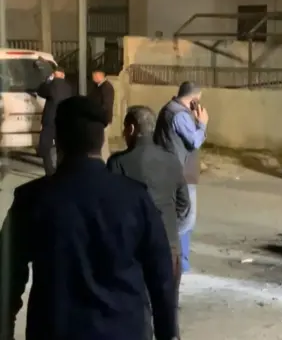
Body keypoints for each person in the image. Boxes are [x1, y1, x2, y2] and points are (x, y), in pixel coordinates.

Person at [0, 96, 177, 340]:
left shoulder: (31, 199)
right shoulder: (135, 199)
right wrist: (169, 334)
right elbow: (162, 278)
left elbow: (6, 279)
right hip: (124, 331)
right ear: (101, 140)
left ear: (58, 140)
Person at [107, 105, 190, 339]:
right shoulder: (172, 161)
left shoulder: (118, 163)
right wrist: (171, 229)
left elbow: (111, 209)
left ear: (131, 129)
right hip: (170, 246)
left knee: (141, 311)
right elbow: (184, 204)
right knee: (168, 307)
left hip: (135, 250)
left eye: (125, 129)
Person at [154, 81, 208, 274]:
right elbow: (194, 141)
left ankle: (181, 260)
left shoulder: (170, 109)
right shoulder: (179, 115)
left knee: (182, 217)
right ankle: (171, 254)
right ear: (193, 100)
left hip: (174, 171)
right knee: (186, 219)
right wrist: (202, 124)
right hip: (182, 174)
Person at [36, 65, 72, 175]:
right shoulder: (68, 87)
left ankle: (50, 171)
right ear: (63, 75)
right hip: (63, 120)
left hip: (50, 120)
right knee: (61, 147)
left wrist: (48, 81)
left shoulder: (51, 85)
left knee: (45, 146)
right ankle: (61, 169)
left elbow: (40, 91)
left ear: (55, 74)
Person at [88, 68, 115, 161]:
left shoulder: (106, 87)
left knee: (103, 143)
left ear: (99, 75)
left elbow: (106, 105)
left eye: (94, 76)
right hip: (99, 119)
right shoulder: (98, 87)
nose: (93, 78)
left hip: (103, 120)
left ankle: (105, 161)